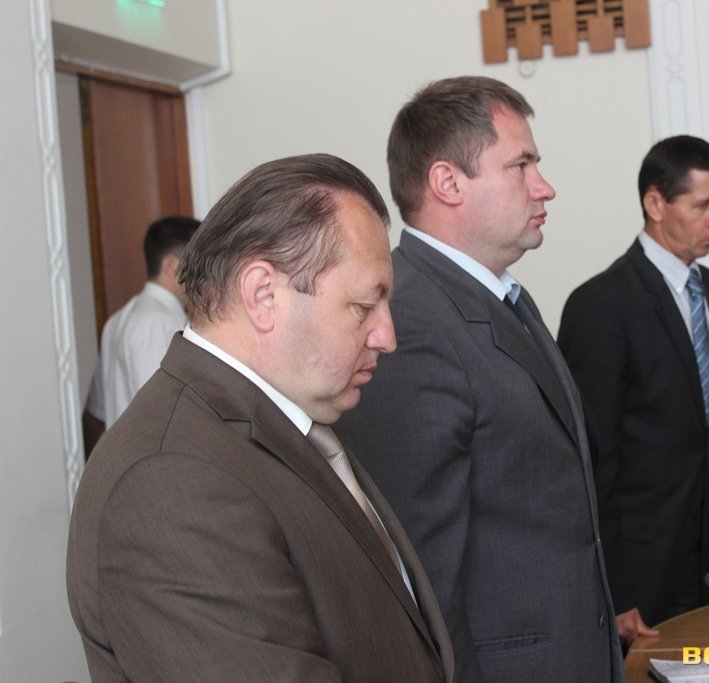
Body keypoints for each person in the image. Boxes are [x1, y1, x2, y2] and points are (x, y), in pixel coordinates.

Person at [67, 154, 455, 682]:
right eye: (365, 307)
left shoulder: (288, 420)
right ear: (263, 296)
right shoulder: (172, 479)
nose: (387, 336)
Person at [334, 76, 626, 682]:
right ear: (448, 183)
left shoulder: (501, 297)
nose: (544, 186)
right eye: (521, 165)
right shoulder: (410, 321)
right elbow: (421, 572)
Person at [558, 135, 709, 628]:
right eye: (703, 205)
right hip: (641, 572)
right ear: (655, 204)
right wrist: (612, 590)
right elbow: (592, 461)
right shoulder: (600, 305)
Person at [84, 215, 200, 434]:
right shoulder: (158, 323)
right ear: (170, 267)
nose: (203, 274)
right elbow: (162, 414)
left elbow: (97, 412)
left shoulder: (118, 320)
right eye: (197, 262)